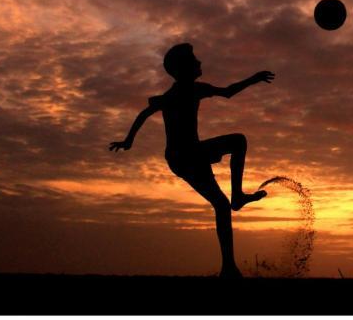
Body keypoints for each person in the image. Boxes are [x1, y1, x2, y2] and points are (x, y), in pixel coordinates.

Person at [109, 43, 274, 278]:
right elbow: (145, 113)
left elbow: (227, 92)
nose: (199, 63)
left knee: (220, 204)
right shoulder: (178, 94)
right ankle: (237, 197)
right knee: (238, 142)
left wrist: (128, 141)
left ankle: (228, 267)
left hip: (185, 156)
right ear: (183, 68)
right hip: (184, 155)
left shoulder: (193, 90)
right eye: (194, 60)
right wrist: (128, 141)